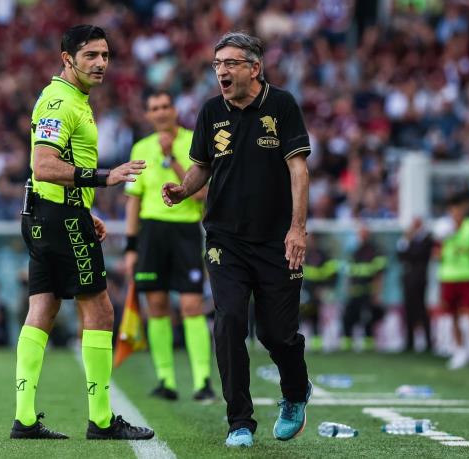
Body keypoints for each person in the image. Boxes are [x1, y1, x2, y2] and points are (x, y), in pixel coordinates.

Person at [162, 32, 312, 448]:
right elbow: (202, 167)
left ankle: (295, 393)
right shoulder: (211, 111)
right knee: (228, 322)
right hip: (224, 238)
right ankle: (239, 422)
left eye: (230, 63)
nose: (221, 72)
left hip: (276, 240)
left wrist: (297, 229)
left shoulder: (282, 105)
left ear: (254, 68)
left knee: (277, 334)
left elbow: (299, 170)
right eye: (217, 64)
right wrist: (183, 189)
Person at [11, 25, 153, 441]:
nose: (101, 63)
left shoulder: (72, 99)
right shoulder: (60, 101)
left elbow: (54, 167)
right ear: (67, 59)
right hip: (59, 216)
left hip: (49, 212)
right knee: (100, 310)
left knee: (43, 306)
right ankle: (102, 421)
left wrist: (83, 209)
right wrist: (105, 178)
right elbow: (44, 165)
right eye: (91, 55)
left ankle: (24, 418)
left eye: (105, 55)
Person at [124, 90, 214, 402]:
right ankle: (166, 380)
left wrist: (171, 157)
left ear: (174, 110)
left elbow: (200, 193)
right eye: (155, 108)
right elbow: (133, 201)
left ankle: (202, 381)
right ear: (148, 115)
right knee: (157, 305)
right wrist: (131, 247)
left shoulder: (193, 142)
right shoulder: (140, 148)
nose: (161, 112)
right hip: (151, 232)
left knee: (191, 306)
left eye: (165, 106)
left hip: (185, 231)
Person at [435, 192, 469, 369]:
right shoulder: (443, 229)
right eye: (452, 211)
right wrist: (442, 244)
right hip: (448, 277)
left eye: (458, 210)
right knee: (453, 316)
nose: (455, 214)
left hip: (467, 275)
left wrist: (464, 249)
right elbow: (436, 255)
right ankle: (459, 351)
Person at [341, 224, 386, 352]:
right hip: (354, 291)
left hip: (368, 291)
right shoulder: (355, 251)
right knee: (348, 317)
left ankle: (368, 344)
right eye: (360, 233)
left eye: (364, 233)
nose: (362, 236)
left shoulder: (375, 251)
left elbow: (379, 274)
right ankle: (347, 343)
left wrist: (377, 292)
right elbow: (349, 272)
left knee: (368, 318)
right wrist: (347, 287)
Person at [396, 217, 433, 352]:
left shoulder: (426, 239)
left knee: (421, 310)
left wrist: (410, 241)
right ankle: (409, 342)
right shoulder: (407, 240)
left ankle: (428, 342)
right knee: (409, 310)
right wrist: (407, 240)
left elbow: (417, 255)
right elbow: (400, 256)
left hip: (420, 280)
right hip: (408, 280)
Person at [299, 233, 338, 351]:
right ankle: (308, 343)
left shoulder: (323, 256)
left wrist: (323, 288)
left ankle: (320, 343)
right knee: (305, 316)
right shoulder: (304, 255)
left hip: (318, 292)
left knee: (317, 317)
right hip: (306, 292)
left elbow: (332, 274)